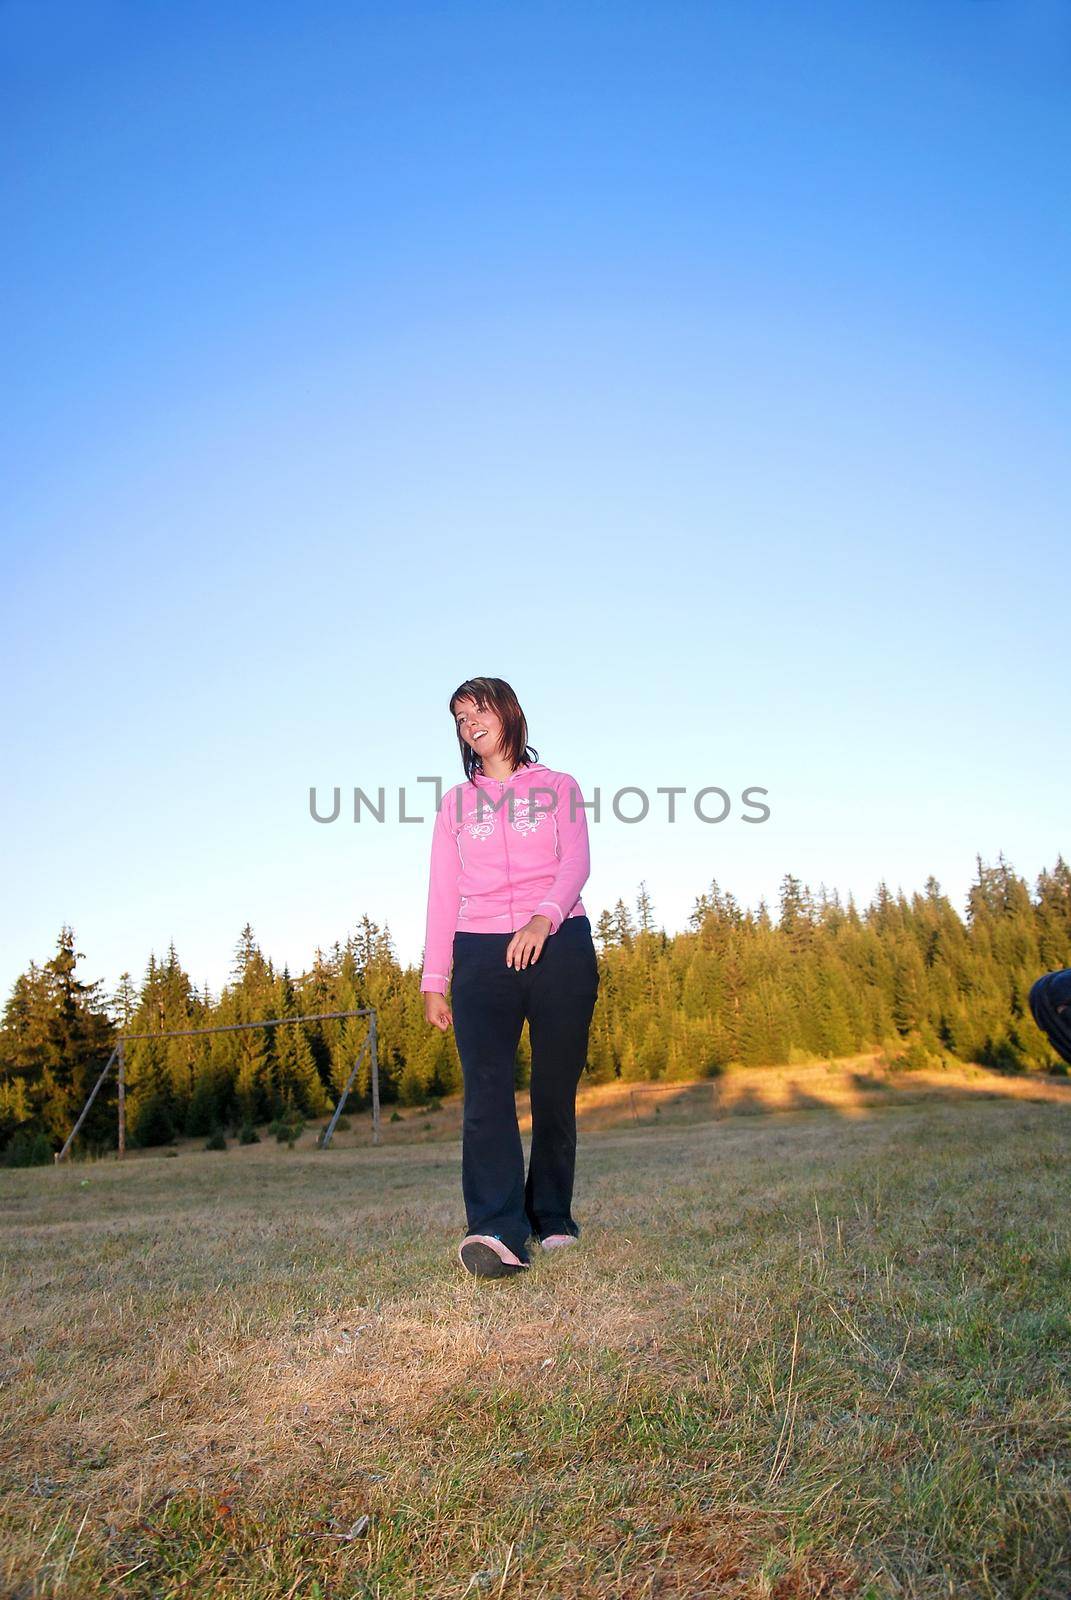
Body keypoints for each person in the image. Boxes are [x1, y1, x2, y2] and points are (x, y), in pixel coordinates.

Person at [421, 676, 600, 1279]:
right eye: (459, 718)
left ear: (509, 712)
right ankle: (497, 1230)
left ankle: (552, 1217)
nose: (470, 724)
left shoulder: (559, 788)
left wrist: (542, 920)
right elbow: (443, 892)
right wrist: (434, 979)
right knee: (487, 1090)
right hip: (479, 952)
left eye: (479, 711)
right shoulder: (455, 805)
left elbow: (576, 860)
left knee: (554, 1088)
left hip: (559, 944)